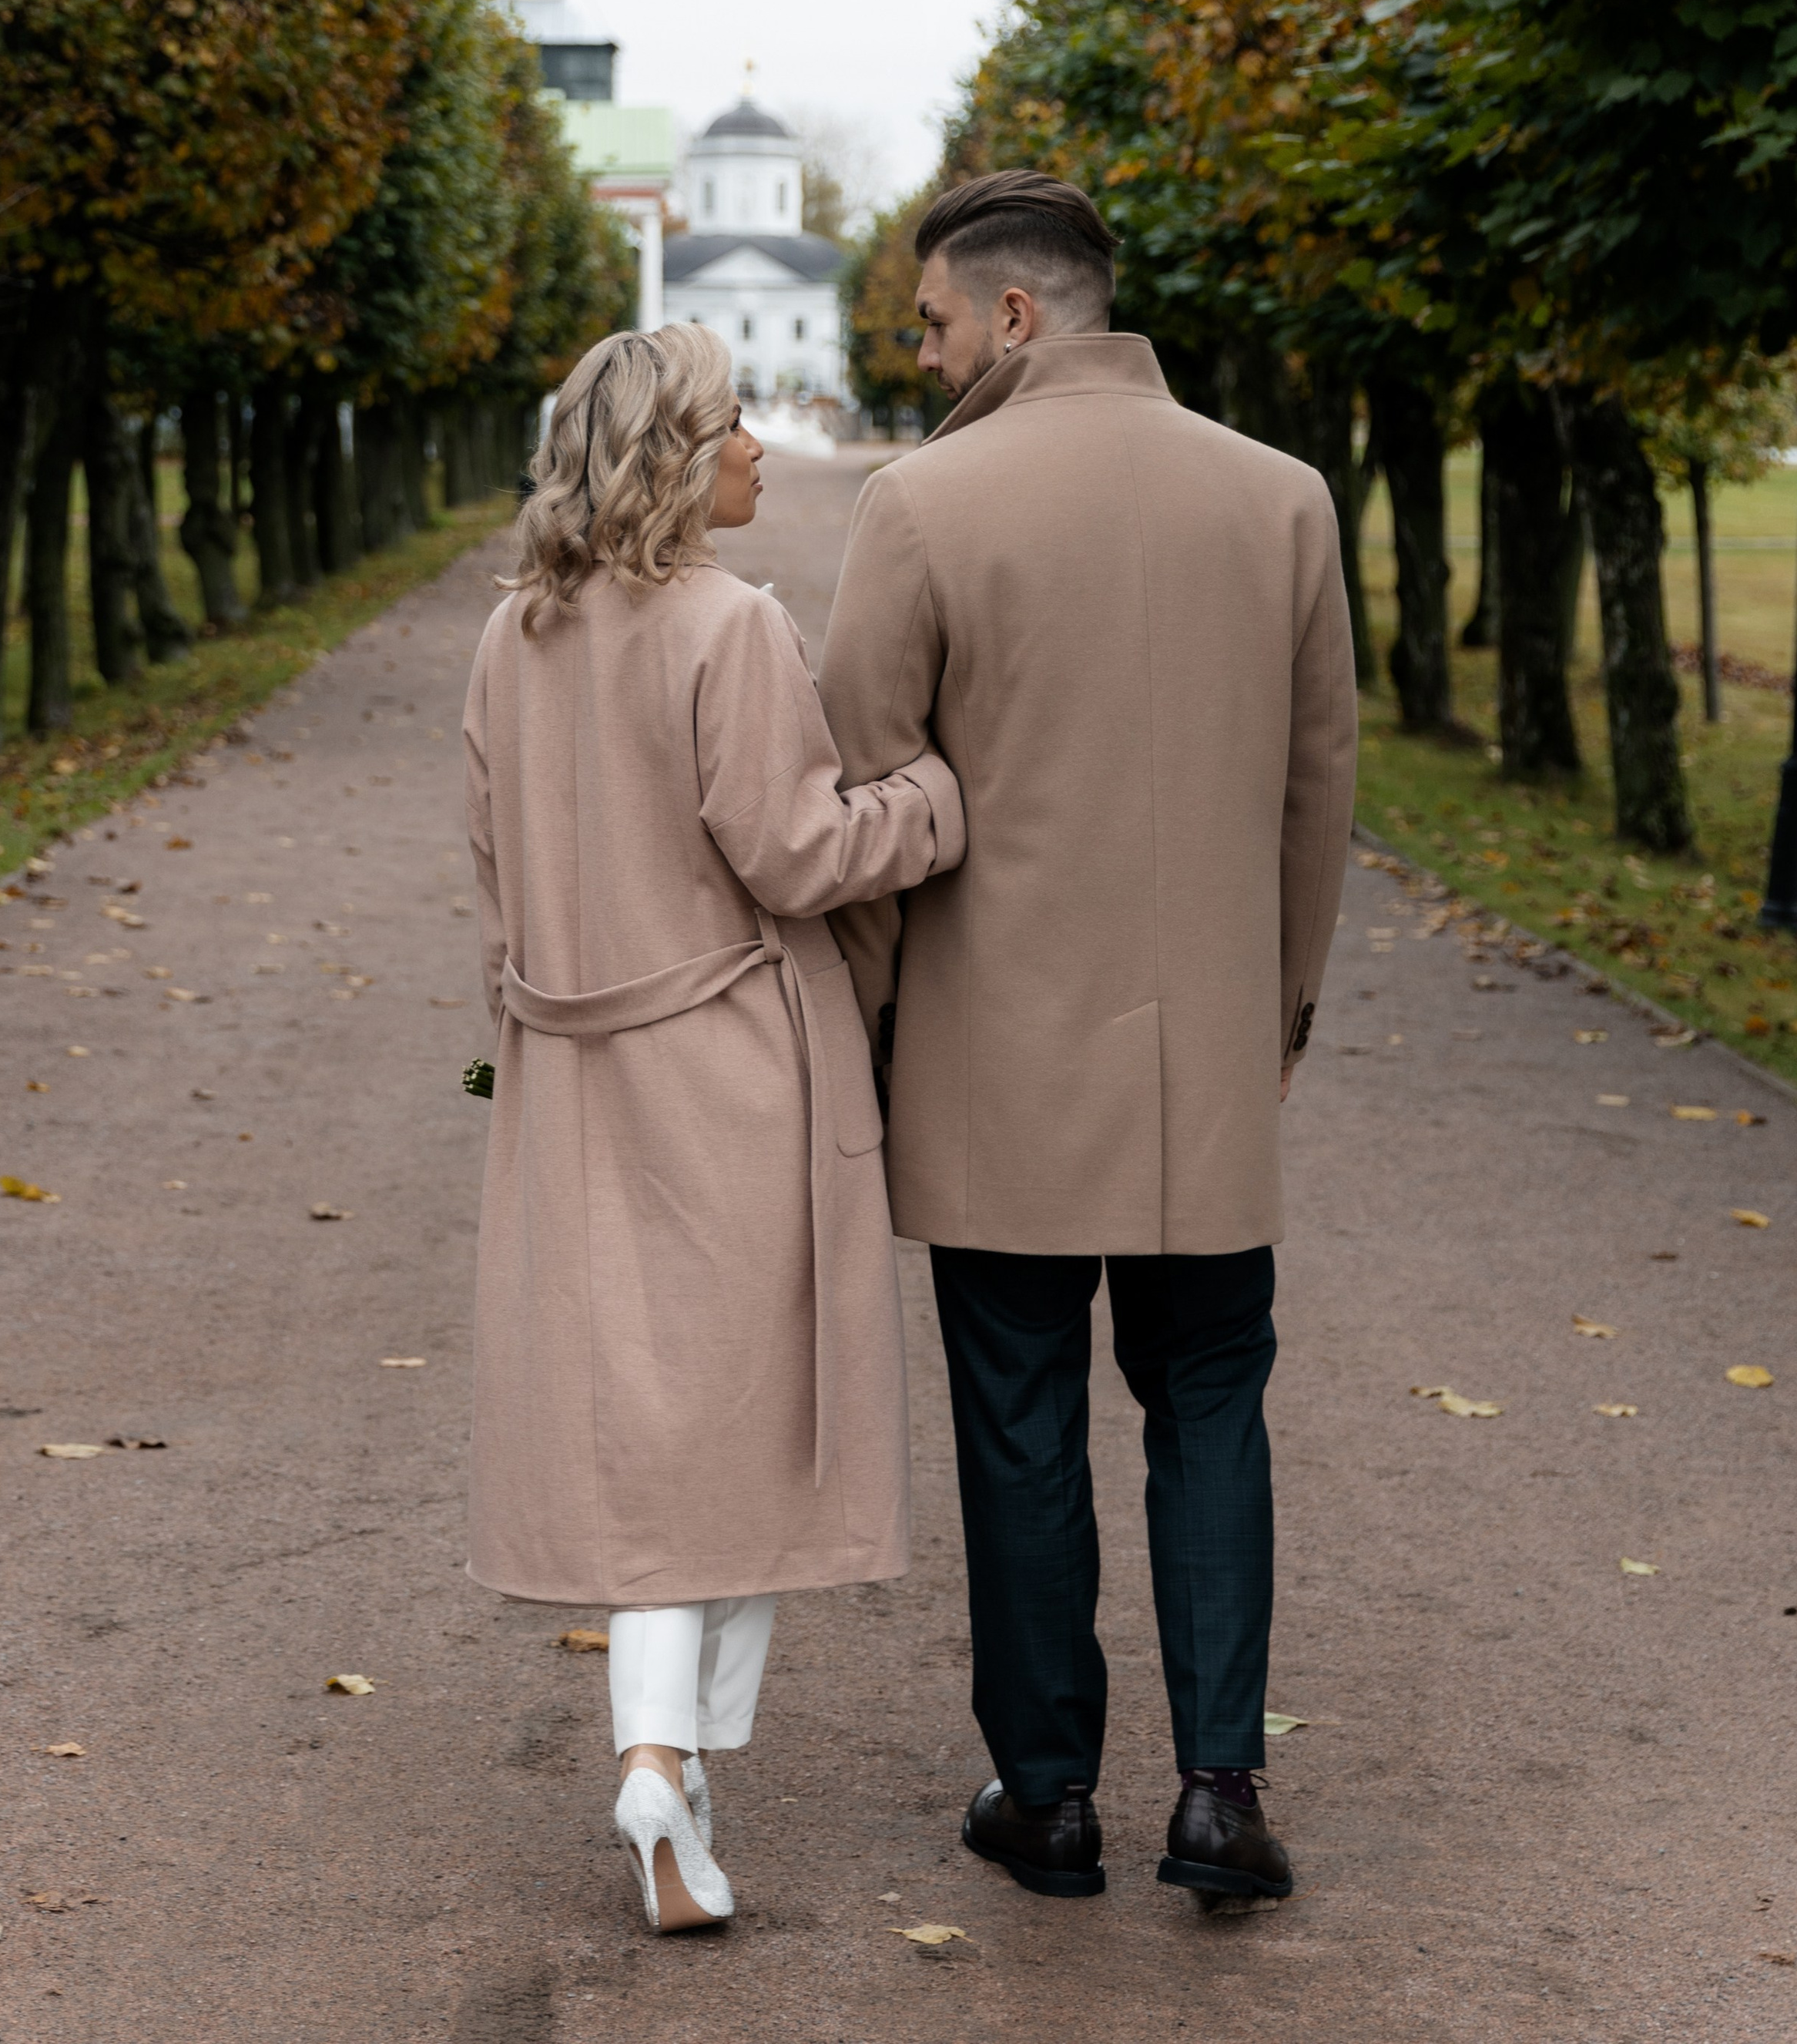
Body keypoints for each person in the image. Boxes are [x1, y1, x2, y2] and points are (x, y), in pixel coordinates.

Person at [818, 173, 1356, 1906]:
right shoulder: (1280, 500)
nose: (921, 352)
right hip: (1203, 1052)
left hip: (989, 1060)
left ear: (1018, 315)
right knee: (1211, 1404)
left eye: (932, 321)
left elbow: (867, 795)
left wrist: (876, 1023)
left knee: (1021, 1420)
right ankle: (1217, 1791)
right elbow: (1313, 792)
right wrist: (1271, 1005)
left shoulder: (920, 506)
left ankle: (1045, 1793)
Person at [461, 324, 964, 1935]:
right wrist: (934, 803)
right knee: (732, 1425)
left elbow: (492, 863)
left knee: (647, 1432)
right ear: (675, 458)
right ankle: (665, 1758)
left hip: (572, 1066)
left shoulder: (508, 637)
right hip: (723, 1063)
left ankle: (668, 1764)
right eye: (733, 426)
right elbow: (796, 850)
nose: (755, 449)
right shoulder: (728, 625)